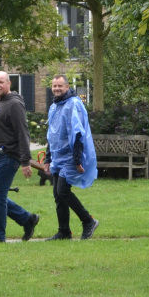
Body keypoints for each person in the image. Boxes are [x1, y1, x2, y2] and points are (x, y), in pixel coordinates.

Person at [0, 71, 40, 243]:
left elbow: (23, 133)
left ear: (9, 83)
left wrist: (25, 161)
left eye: (1, 82)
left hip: (8, 156)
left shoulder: (14, 104)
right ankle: (27, 219)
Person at [40, 75, 99, 241]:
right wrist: (48, 159)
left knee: (63, 191)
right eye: (54, 86)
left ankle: (88, 221)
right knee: (58, 195)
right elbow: (52, 135)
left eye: (60, 86)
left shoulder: (73, 104)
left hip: (70, 157)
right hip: (57, 157)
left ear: (67, 87)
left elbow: (78, 133)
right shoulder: (54, 106)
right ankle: (64, 231)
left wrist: (77, 159)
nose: (56, 89)